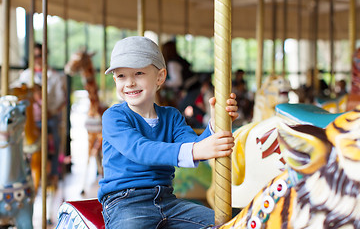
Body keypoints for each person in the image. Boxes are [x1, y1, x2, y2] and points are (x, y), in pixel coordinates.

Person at [99, 36, 238, 229]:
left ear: (160, 77)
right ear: (115, 80)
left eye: (138, 73)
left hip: (167, 200)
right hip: (126, 202)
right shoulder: (114, 117)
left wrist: (215, 124)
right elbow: (140, 150)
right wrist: (197, 149)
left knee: (225, 224)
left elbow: (194, 145)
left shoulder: (171, 116)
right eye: (121, 76)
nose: (129, 83)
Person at [17, 43, 67, 183]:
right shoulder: (26, 75)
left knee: (54, 138)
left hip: (48, 116)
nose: (38, 59)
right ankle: (22, 168)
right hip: (30, 117)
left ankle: (54, 171)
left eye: (40, 55)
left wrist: (50, 111)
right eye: (35, 56)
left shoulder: (54, 76)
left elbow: (60, 98)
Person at [160, 40, 198, 107]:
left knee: (180, 108)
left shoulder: (173, 63)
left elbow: (177, 81)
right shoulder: (177, 59)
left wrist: (165, 84)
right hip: (193, 86)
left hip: (193, 88)